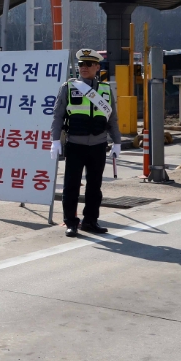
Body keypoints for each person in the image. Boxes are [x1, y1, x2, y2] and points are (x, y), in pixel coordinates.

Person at [50, 48, 121, 237]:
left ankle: (90, 221)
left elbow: (112, 119)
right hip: (75, 144)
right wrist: (55, 140)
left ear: (97, 66)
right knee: (71, 186)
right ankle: (71, 222)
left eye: (89, 64)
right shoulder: (69, 87)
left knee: (94, 186)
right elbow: (57, 116)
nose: (84, 68)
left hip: (98, 145)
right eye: (81, 64)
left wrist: (117, 142)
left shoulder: (105, 90)